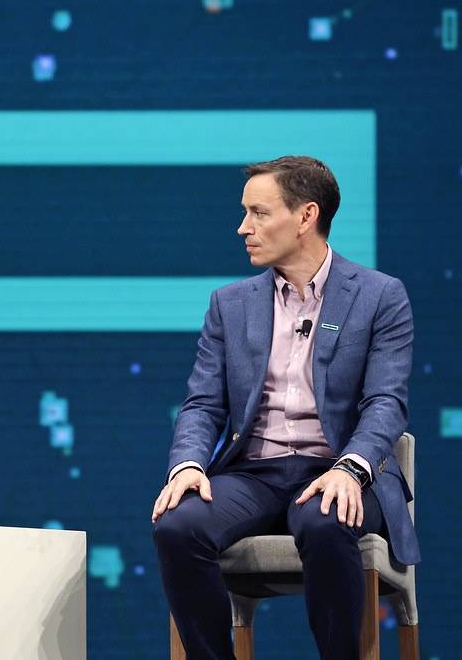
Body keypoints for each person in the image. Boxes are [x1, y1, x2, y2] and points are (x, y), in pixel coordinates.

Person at [151, 156, 419, 660]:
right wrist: (186, 464)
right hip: (253, 474)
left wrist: (351, 469)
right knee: (177, 526)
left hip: (336, 469)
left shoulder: (380, 296)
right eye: (245, 213)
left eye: (258, 213)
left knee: (326, 520)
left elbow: (386, 402)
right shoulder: (229, 304)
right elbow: (203, 404)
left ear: (305, 216)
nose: (243, 227)